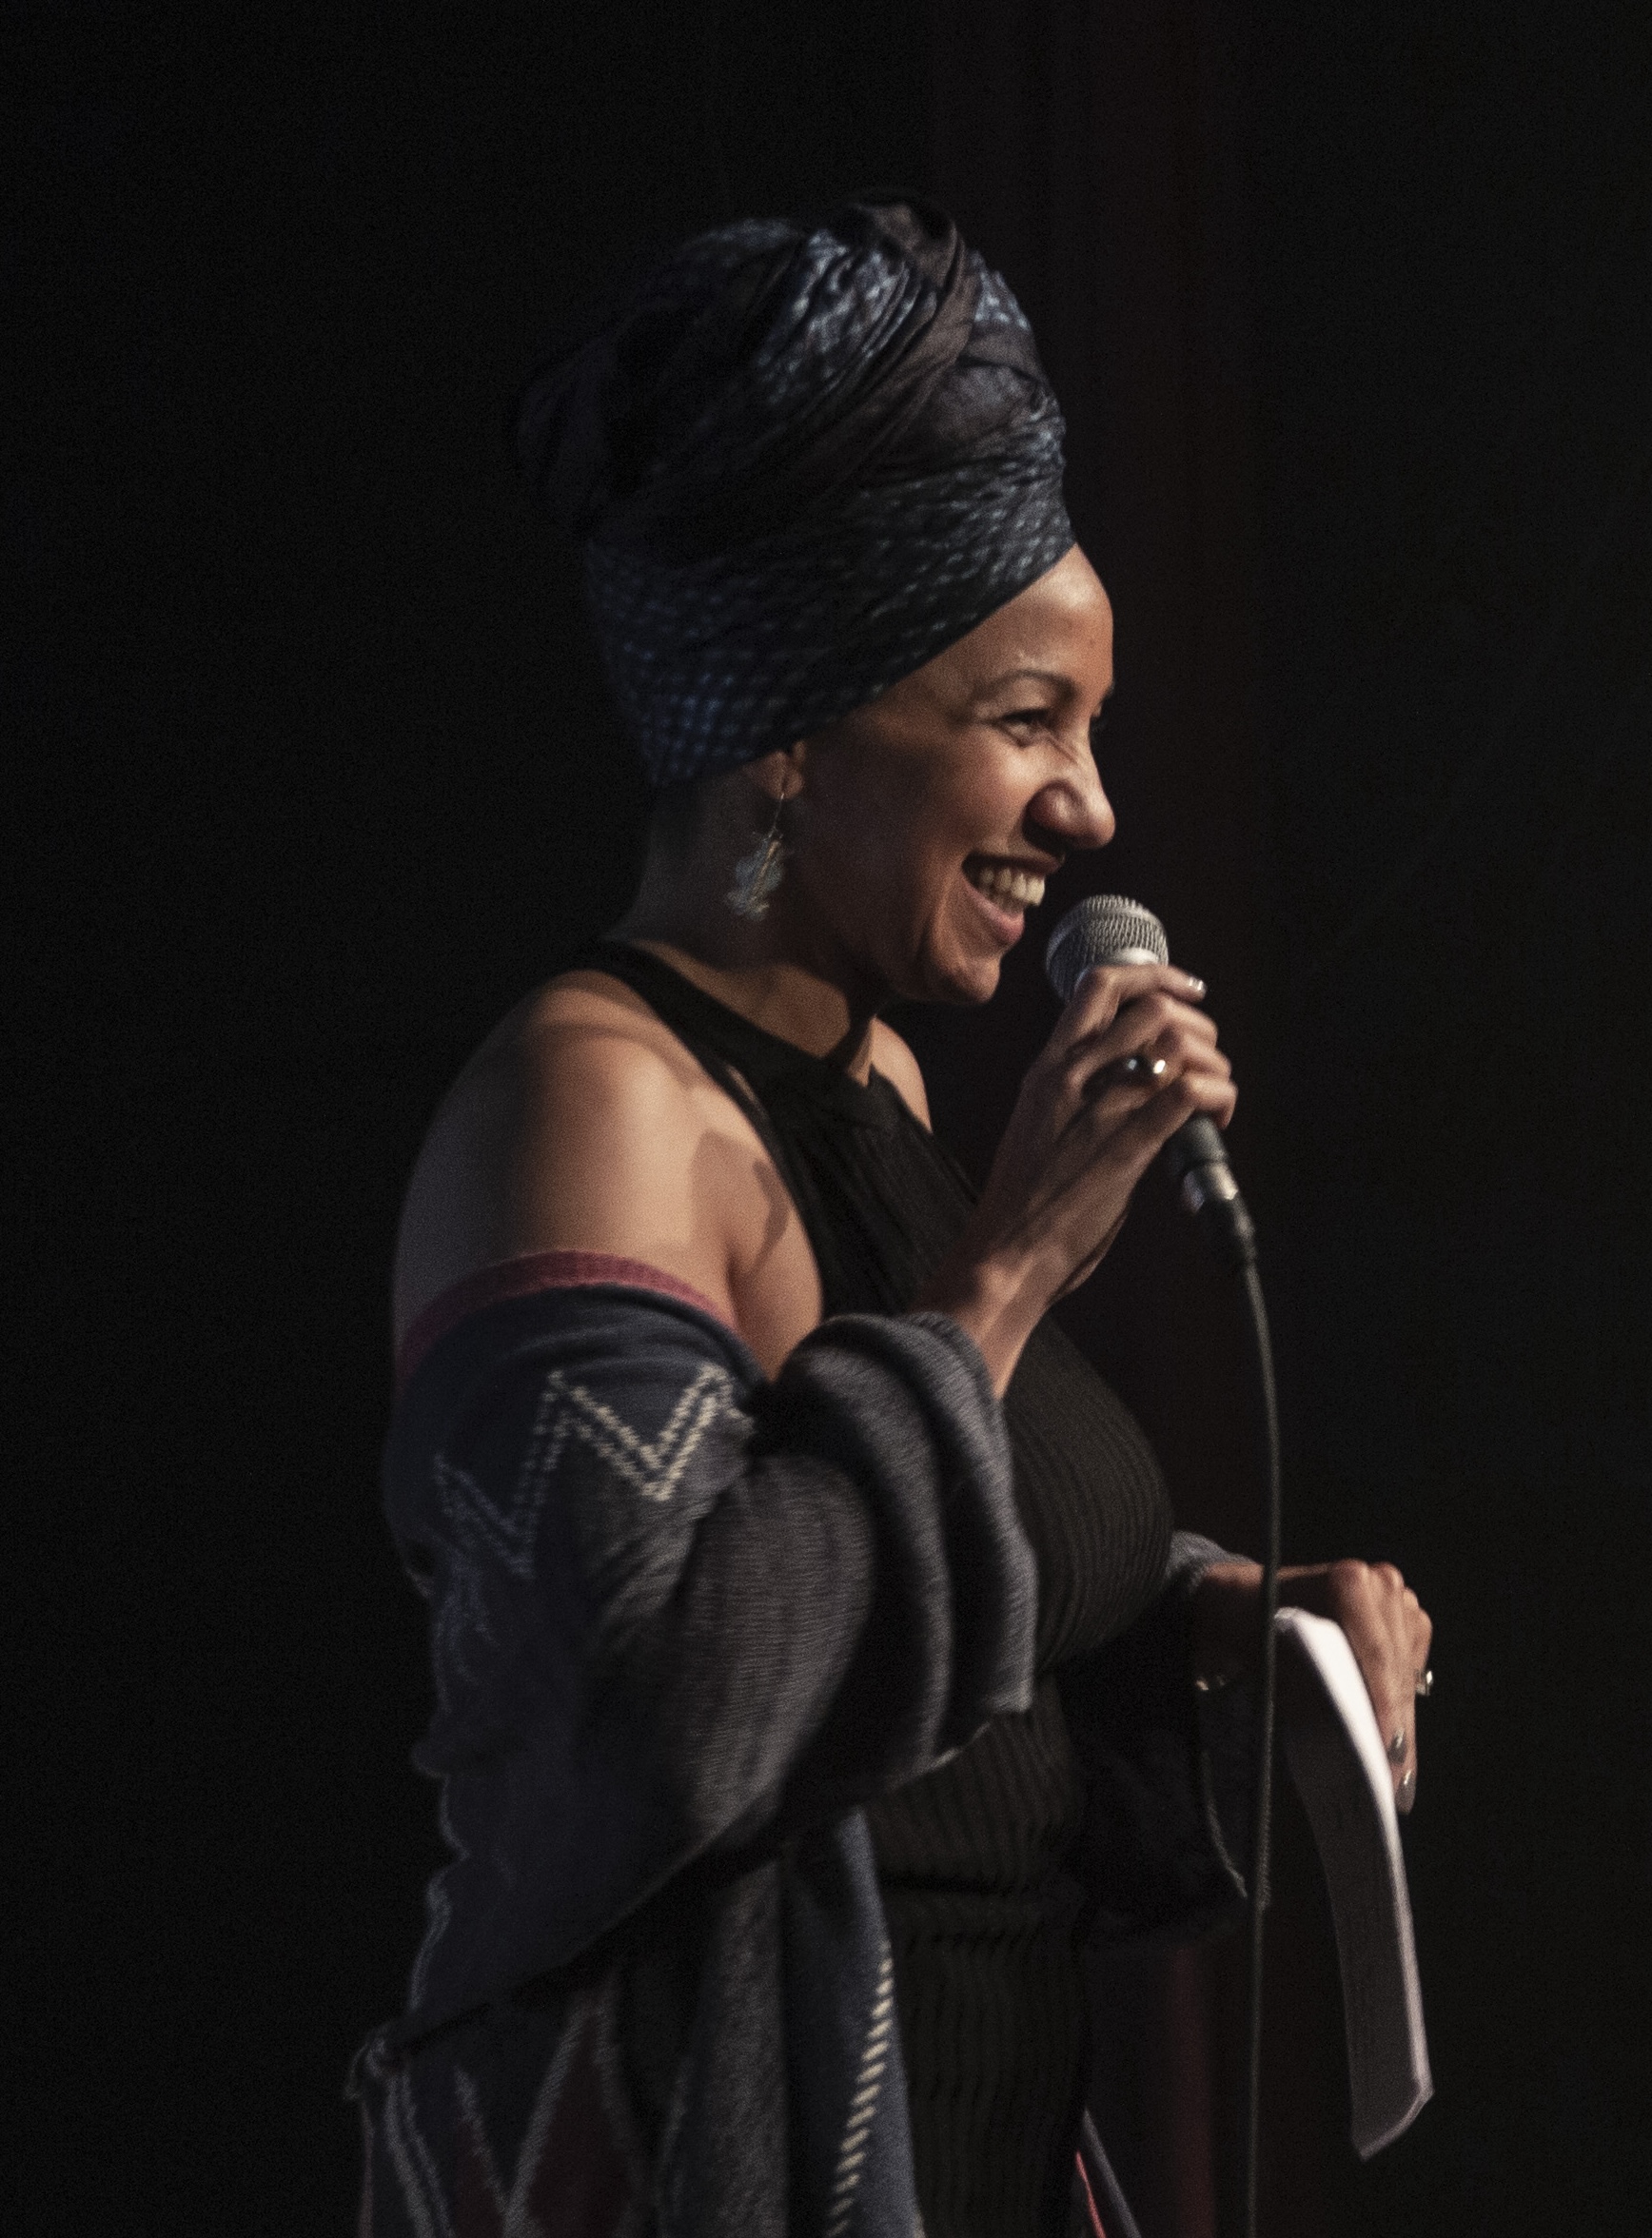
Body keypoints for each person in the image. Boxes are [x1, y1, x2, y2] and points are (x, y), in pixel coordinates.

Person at [350, 199, 1432, 2238]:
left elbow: (934, 1687)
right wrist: (1007, 1272)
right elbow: (657, 1729)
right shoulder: (592, 1106)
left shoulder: (881, 1082)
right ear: (792, 738)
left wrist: (1228, 1641)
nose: (1092, 808)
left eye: (1088, 730)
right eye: (1027, 723)